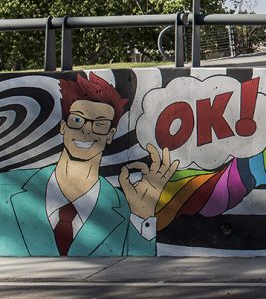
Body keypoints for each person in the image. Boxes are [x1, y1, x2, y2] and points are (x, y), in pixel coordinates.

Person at [0, 73, 178, 256]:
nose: (86, 130)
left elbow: (140, 263)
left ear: (110, 135)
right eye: (77, 120)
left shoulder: (125, 207)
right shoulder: (7, 186)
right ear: (63, 126)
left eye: (100, 125)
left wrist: (142, 214)